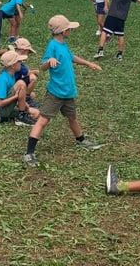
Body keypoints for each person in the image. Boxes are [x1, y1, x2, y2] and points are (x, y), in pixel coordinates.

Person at [22, 15, 103, 167]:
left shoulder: (63, 45)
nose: (70, 31)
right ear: (62, 31)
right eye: (69, 29)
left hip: (68, 92)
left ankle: (81, 140)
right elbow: (43, 66)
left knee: (72, 117)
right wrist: (49, 61)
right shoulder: (52, 46)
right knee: (43, 120)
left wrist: (88, 63)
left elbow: (71, 57)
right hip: (56, 93)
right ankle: (29, 153)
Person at [0, 49, 41, 126]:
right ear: (13, 65)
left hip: (7, 107)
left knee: (37, 114)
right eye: (19, 62)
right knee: (21, 83)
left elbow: (10, 94)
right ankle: (21, 116)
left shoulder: (11, 76)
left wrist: (23, 104)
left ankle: (21, 114)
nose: (21, 63)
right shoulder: (3, 80)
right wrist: (15, 97)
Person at [12, 37, 40, 109]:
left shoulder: (12, 57)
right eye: (28, 52)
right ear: (23, 50)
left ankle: (25, 96)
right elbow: (26, 73)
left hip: (15, 82)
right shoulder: (16, 60)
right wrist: (35, 71)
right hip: (13, 85)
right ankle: (26, 98)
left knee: (33, 94)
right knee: (33, 77)